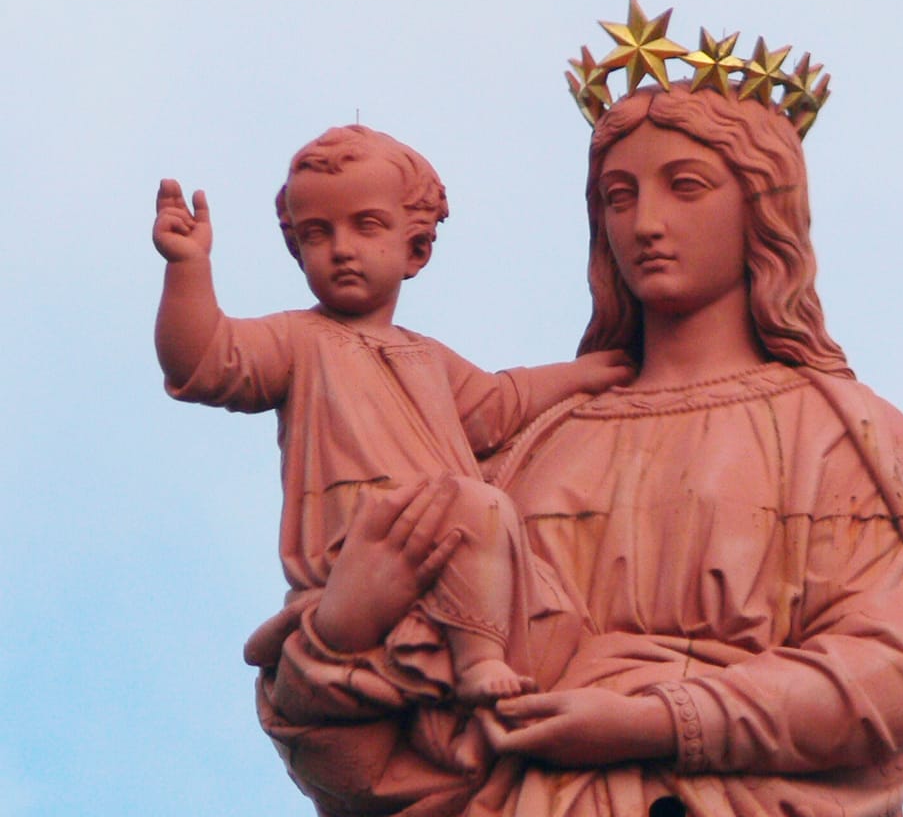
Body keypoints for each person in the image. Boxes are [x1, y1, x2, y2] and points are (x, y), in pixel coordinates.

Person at [245, 15, 903, 817]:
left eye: (684, 187)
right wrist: (339, 636)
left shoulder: (842, 435)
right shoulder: (514, 453)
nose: (645, 222)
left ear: (764, 207)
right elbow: (375, 770)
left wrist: (649, 716)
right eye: (617, 196)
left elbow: (884, 680)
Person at [153, 124, 630, 703]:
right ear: (294, 248)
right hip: (356, 544)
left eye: (366, 225)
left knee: (484, 508)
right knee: (479, 505)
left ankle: (477, 655)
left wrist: (584, 374)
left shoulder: (427, 356)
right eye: (316, 233)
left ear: (417, 247)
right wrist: (187, 268)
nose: (342, 248)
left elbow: (499, 405)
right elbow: (202, 359)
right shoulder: (297, 340)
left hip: (449, 532)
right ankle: (447, 653)